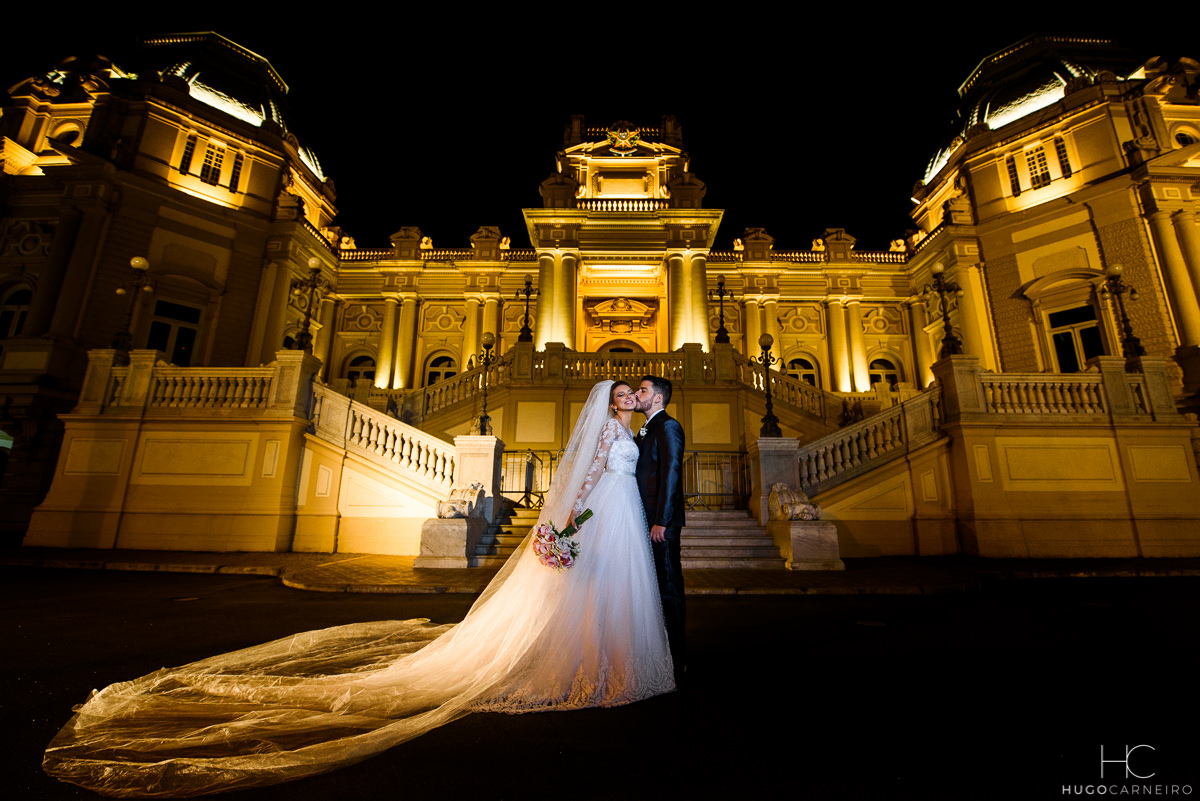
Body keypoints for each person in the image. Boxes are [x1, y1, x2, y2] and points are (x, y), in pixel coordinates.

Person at [42, 380, 673, 798]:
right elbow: (584, 480)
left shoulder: (640, 431)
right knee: (593, 593)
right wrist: (563, 524)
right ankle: (594, 666)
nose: (626, 397)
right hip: (601, 521)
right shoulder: (611, 435)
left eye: (631, 391)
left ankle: (608, 661)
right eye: (620, 392)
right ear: (608, 403)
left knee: (607, 595)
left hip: (615, 522)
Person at [634, 375, 687, 684]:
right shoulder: (646, 429)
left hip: (660, 524)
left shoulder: (668, 426)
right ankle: (657, 655)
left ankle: (677, 660)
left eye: (643, 390)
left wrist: (662, 521)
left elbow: (671, 475)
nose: (638, 394)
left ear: (657, 398)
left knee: (669, 590)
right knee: (653, 589)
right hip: (645, 520)